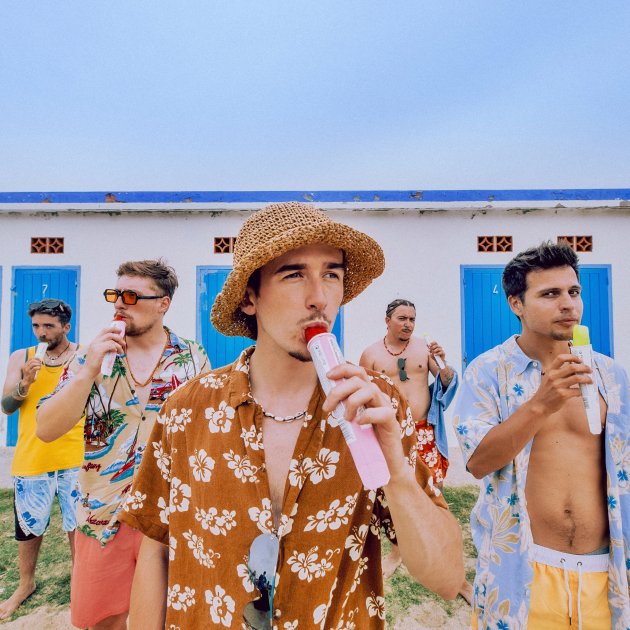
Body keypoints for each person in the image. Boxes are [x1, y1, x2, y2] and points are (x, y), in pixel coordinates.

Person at [120, 201, 464, 629]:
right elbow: (156, 549)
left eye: (332, 275)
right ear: (250, 297)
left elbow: (447, 578)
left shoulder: (377, 406)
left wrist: (394, 467)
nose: (319, 298)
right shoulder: (188, 409)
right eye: (294, 274)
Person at [453, 242, 630, 629]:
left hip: (605, 575)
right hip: (523, 573)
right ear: (516, 303)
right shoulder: (488, 372)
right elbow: (478, 463)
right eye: (550, 294)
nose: (568, 304)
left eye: (573, 291)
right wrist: (540, 405)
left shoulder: (611, 376)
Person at [36, 260, 210, 630]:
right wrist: (88, 370)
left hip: (168, 517)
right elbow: (47, 428)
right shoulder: (89, 356)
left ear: (162, 303)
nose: (119, 303)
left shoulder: (193, 359)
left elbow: (208, 433)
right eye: (115, 294)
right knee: (104, 621)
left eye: (131, 296)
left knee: (164, 619)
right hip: (102, 514)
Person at [359, 299, 472, 603]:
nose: (408, 324)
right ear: (387, 321)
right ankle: (398, 549)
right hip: (393, 436)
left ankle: (447, 563)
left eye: (412, 318)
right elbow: (363, 395)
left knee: (432, 490)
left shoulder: (425, 349)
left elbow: (446, 382)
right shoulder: (371, 354)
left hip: (424, 431)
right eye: (402, 318)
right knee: (393, 494)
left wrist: (443, 363)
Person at [0, 299, 82, 620]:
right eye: (36, 326)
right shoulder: (21, 357)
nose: (41, 332)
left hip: (75, 453)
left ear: (66, 326)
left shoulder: (82, 356)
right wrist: (24, 384)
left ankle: (79, 580)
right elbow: (7, 406)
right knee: (28, 526)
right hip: (32, 453)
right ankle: (25, 584)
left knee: (77, 524)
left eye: (48, 326)